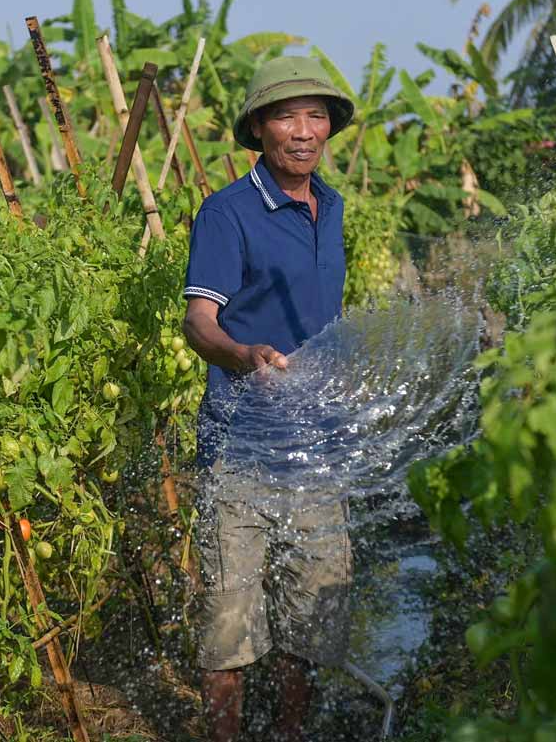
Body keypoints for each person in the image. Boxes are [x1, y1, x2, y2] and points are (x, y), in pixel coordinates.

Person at [180, 56, 356, 742]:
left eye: (316, 115)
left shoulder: (332, 206)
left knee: (312, 615)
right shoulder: (229, 213)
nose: (304, 130)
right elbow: (199, 318)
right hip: (241, 449)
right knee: (230, 623)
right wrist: (242, 355)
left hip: (316, 445)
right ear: (260, 127)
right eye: (287, 115)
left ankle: (289, 733)